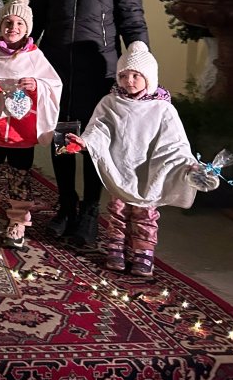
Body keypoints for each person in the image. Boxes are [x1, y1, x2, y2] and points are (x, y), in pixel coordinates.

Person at [29, 0, 149, 248]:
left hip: (98, 68)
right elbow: (36, 17)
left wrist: (141, 64)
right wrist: (19, 54)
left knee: (93, 140)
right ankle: (67, 205)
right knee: (63, 136)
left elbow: (132, 20)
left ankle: (90, 211)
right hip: (55, 67)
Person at [66, 42, 199, 276]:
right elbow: (99, 129)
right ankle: (116, 247)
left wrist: (188, 163)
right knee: (118, 209)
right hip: (121, 168)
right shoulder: (110, 102)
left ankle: (143, 252)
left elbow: (175, 142)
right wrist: (85, 142)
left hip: (149, 170)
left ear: (149, 77)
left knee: (145, 212)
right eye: (124, 75)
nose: (129, 81)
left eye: (136, 75)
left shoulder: (163, 109)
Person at [0, 0, 61, 250]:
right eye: (8, 22)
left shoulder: (36, 57)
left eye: (19, 23)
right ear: (0, 25)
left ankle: (18, 220)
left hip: (22, 132)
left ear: (27, 28)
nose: (13, 27)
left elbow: (54, 85)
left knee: (20, 176)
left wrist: (37, 86)